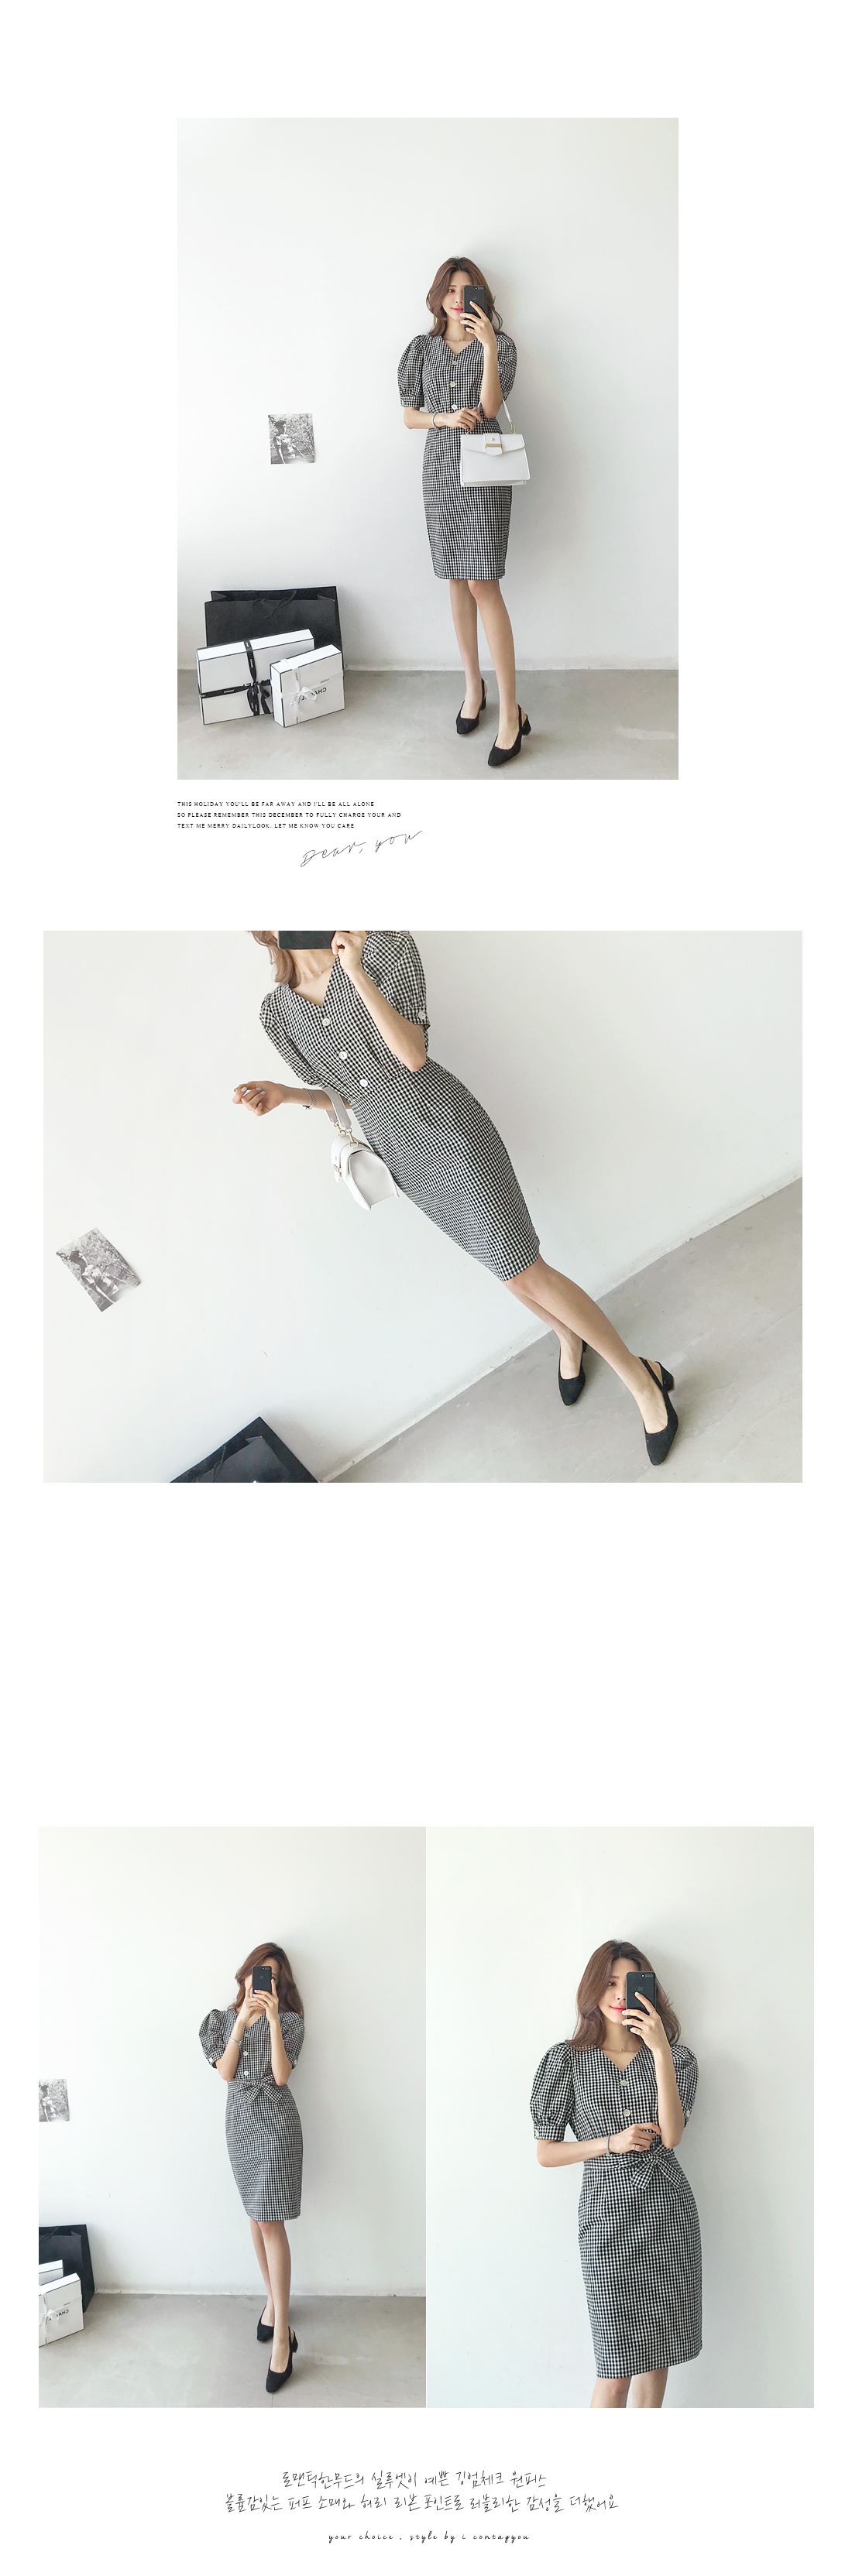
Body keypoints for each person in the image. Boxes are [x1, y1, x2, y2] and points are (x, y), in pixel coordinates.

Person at [234, 932, 679, 1466]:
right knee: (504, 1270)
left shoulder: (383, 947)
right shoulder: (277, 1014)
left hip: (447, 1126)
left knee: (523, 1267)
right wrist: (287, 1095)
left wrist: (355, 973)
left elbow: (412, 1054)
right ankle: (568, 1336)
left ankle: (643, 1380)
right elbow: (342, 1095)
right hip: (401, 1154)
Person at [531, 1942, 702, 2407]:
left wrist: (660, 2049)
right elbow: (546, 2152)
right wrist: (610, 2142)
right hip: (607, 2220)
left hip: (669, 2217)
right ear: (592, 1988)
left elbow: (672, 2136)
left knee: (657, 2360)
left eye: (630, 1983)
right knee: (614, 2370)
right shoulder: (565, 2061)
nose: (620, 1995)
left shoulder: (679, 2059)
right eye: (609, 1982)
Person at [398, 257, 530, 766]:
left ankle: (511, 712)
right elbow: (409, 416)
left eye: (467, 289)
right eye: (450, 289)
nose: (458, 298)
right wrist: (444, 417)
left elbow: (491, 408)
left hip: (486, 468)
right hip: (441, 469)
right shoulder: (420, 349)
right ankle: (474, 687)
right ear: (439, 295)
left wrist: (489, 347)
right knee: (455, 578)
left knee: (482, 583)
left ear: (480, 296)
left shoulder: (502, 345)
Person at [199, 1943, 304, 2394]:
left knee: (269, 2220)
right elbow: (226, 2072)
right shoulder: (221, 2021)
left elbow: (281, 2076)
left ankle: (283, 2336)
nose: (262, 1981)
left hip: (277, 2125)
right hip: (240, 2125)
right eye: (257, 1973)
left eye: (272, 1977)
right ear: (244, 1975)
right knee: (254, 2216)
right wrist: (242, 2021)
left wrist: (274, 2021)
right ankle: (273, 2304)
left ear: (280, 1985)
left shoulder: (291, 2022)